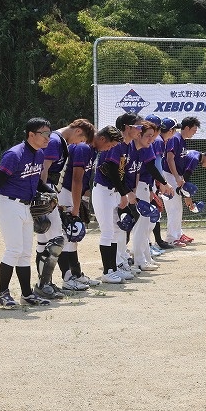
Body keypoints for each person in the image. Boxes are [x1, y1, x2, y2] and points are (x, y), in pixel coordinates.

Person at [0, 118, 57, 308]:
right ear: (31, 134)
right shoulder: (14, 155)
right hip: (9, 205)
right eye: (44, 134)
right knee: (14, 250)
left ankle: (27, 295)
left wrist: (52, 193)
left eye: (49, 134)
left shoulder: (39, 154)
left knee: (24, 253)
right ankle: (3, 294)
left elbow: (36, 182)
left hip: (26, 207)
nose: (48, 138)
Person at [33, 118, 96, 299]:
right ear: (78, 131)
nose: (79, 143)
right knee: (56, 238)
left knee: (44, 240)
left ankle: (45, 284)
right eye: (81, 139)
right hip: (46, 190)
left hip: (49, 190)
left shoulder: (59, 140)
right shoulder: (55, 140)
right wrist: (43, 196)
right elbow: (43, 169)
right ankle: (44, 284)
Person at [57, 125, 122, 290]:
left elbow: (84, 179)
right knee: (67, 236)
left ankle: (76, 275)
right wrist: (76, 207)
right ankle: (67, 278)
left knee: (73, 238)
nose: (109, 149)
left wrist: (83, 198)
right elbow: (76, 179)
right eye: (110, 145)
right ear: (102, 139)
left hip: (72, 194)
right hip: (65, 193)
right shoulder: (83, 148)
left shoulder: (93, 150)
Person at [92, 112, 142, 284]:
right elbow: (111, 169)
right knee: (108, 232)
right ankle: (107, 272)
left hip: (112, 191)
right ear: (127, 127)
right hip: (103, 190)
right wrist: (123, 193)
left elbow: (121, 173)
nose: (140, 130)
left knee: (115, 231)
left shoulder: (127, 145)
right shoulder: (117, 144)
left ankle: (114, 268)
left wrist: (124, 192)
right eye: (138, 126)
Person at [126, 120, 174, 272]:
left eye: (153, 135)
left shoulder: (145, 145)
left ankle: (145, 257)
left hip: (144, 186)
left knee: (145, 225)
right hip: (138, 187)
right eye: (149, 135)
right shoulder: (135, 146)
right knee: (141, 225)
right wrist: (164, 183)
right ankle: (139, 260)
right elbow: (151, 167)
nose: (152, 139)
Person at [162, 116, 201, 246]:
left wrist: (180, 177)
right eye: (194, 129)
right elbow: (169, 159)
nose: (195, 132)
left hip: (174, 176)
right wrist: (177, 177)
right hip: (169, 175)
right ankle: (171, 238)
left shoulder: (182, 140)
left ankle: (178, 234)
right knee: (173, 208)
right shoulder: (175, 138)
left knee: (177, 208)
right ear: (187, 128)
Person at [178, 149, 206, 216]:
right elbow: (185, 178)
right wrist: (187, 197)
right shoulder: (195, 159)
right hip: (169, 173)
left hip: (169, 172)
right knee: (176, 210)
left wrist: (188, 198)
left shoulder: (195, 153)